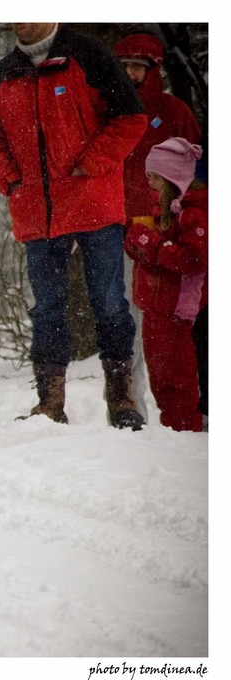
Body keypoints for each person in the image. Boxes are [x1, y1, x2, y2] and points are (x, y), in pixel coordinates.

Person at [0, 23, 148, 429]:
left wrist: (91, 164)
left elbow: (131, 118)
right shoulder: (3, 73)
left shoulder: (87, 54)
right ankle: (50, 404)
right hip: (37, 212)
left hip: (94, 202)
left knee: (109, 303)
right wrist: (13, 180)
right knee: (47, 310)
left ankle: (121, 399)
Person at [114, 33, 202, 421]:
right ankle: (131, 410)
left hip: (169, 232)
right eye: (125, 65)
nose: (130, 72)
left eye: (138, 65)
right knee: (128, 326)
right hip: (119, 228)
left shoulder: (174, 110)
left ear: (154, 69)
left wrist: (179, 223)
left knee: (178, 330)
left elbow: (197, 174)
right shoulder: (107, 107)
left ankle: (188, 414)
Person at [124, 138, 206, 431]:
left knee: (178, 378)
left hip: (176, 311)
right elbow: (144, 252)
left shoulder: (194, 213)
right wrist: (137, 239)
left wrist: (154, 244)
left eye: (155, 177)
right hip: (153, 307)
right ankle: (173, 429)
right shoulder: (158, 210)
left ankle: (187, 429)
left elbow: (193, 260)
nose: (150, 183)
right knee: (160, 377)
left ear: (173, 178)